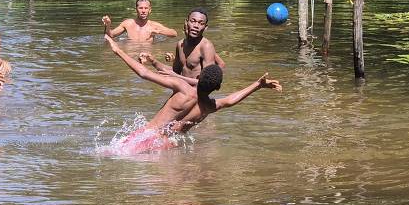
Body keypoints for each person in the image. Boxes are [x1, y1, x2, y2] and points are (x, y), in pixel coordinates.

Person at [106, 35, 281, 153]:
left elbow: (143, 73)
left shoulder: (182, 88)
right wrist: (257, 85)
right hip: (165, 145)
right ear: (218, 87)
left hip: (147, 137)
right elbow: (231, 100)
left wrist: (118, 51)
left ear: (198, 76)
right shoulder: (209, 107)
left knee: (112, 154)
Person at [164, 9, 225, 78]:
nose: (196, 26)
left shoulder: (206, 46)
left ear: (205, 28)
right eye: (193, 21)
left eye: (201, 23)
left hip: (196, 88)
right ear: (186, 22)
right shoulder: (180, 44)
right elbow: (175, 72)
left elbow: (207, 81)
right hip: (182, 86)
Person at [102, 0, 178, 43]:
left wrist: (159, 32)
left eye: (146, 8)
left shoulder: (154, 25)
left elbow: (174, 33)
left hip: (147, 54)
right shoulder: (128, 23)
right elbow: (110, 35)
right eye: (140, 8)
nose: (143, 11)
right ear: (136, 9)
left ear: (150, 10)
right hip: (131, 53)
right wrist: (108, 25)